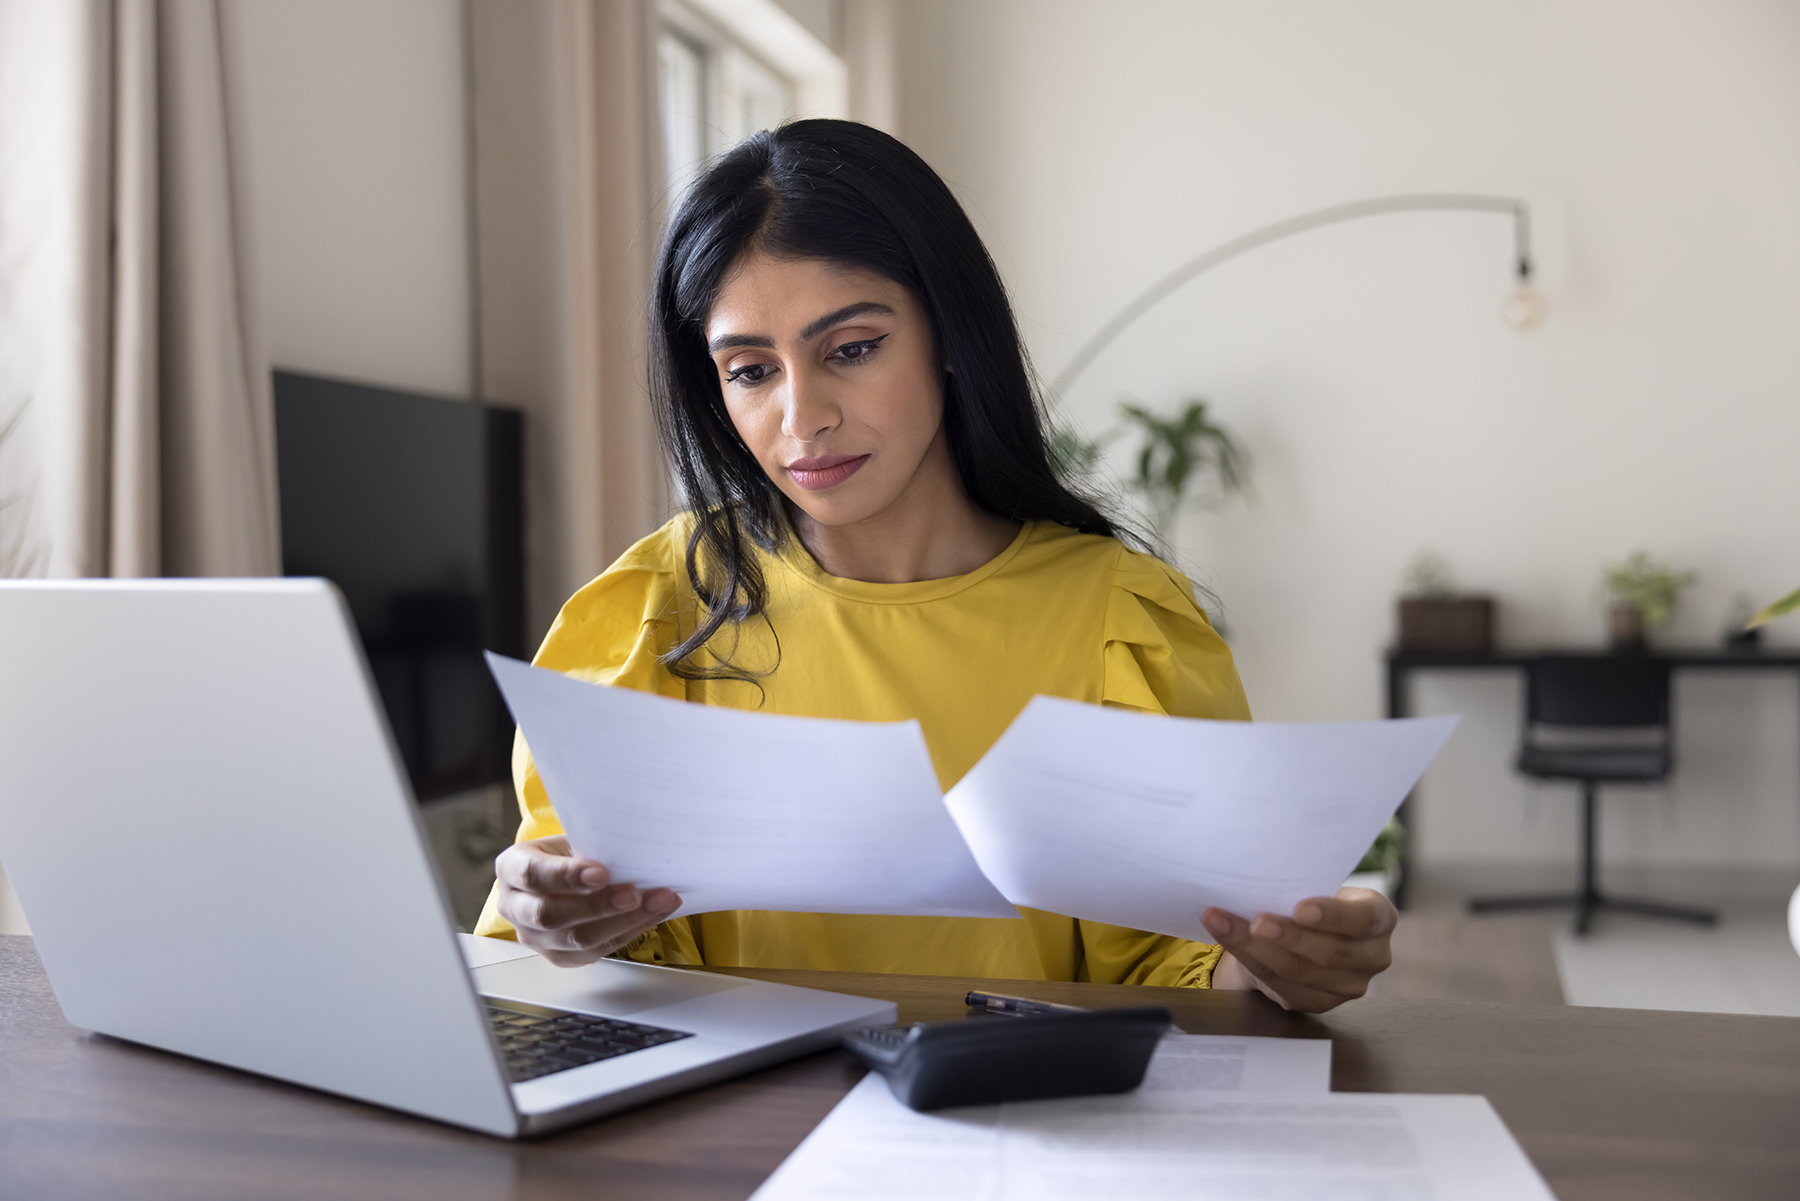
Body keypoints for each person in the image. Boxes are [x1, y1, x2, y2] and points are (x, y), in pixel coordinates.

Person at [474, 119, 1395, 1013]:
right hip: (741, 1144)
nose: (803, 420)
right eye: (751, 370)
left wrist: (1286, 967)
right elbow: (576, 953)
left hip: (1039, 1135)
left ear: (950, 334)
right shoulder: (657, 608)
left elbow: (1188, 975)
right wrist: (553, 918)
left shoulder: (1122, 619)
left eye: (853, 349)